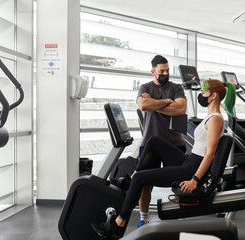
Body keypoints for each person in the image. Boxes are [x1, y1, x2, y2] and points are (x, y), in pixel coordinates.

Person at [93, 79, 236, 239]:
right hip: (190, 161)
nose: (201, 95)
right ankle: (131, 178)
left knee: (141, 178)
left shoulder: (216, 119)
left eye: (204, 93)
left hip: (191, 169)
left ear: (214, 95)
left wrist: (194, 180)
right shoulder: (210, 117)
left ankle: (118, 223)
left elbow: (210, 153)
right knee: (154, 140)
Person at [112, 55, 187, 228]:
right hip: (150, 145)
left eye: (168, 70)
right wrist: (168, 102)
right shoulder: (145, 87)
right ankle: (143, 218)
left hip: (174, 144)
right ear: (153, 71)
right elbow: (144, 106)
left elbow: (181, 108)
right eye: (162, 71)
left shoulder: (176, 87)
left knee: (178, 183)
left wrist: (155, 103)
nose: (166, 73)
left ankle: (178, 215)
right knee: (144, 183)